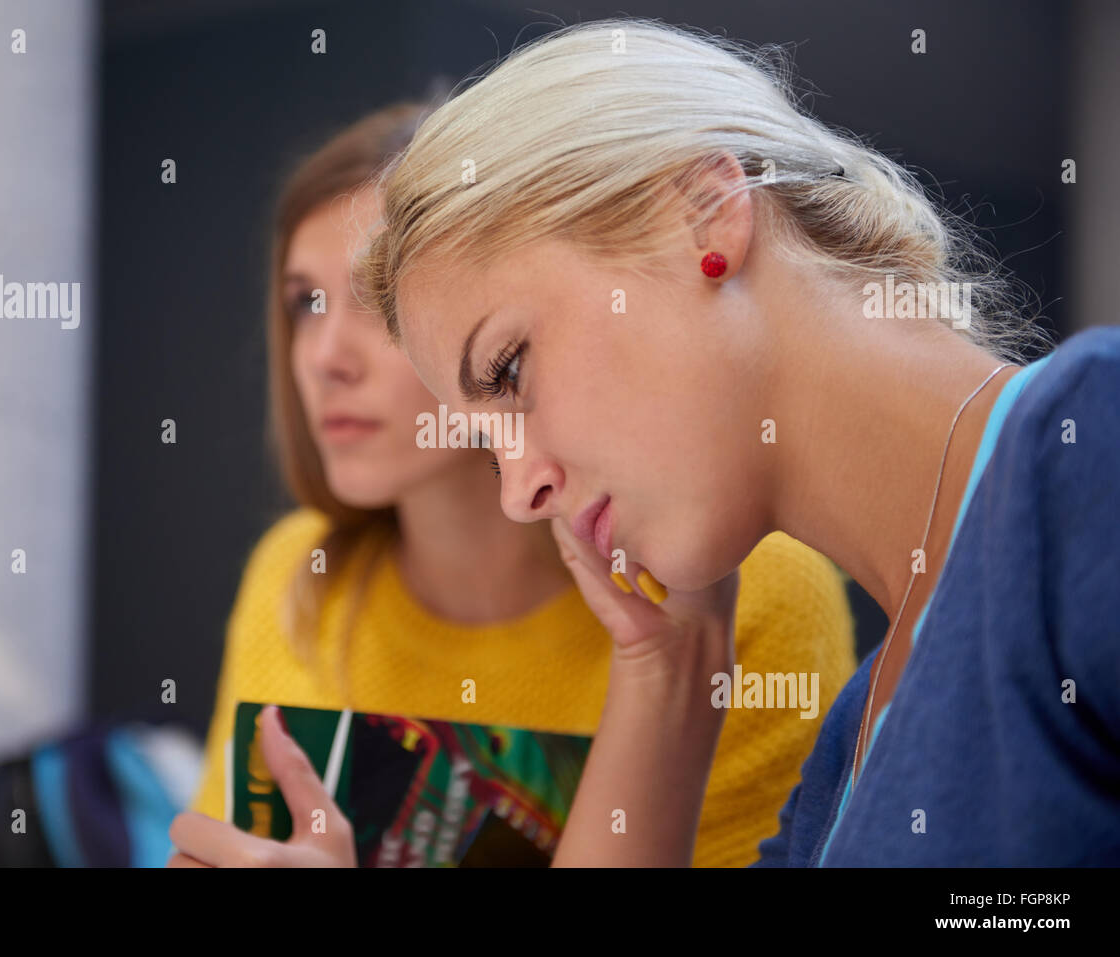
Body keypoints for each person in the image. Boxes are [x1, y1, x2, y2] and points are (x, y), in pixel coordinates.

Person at [353, 18, 1120, 866]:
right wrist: (665, 672)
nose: (516, 491)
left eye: (508, 371)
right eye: (485, 444)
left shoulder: (1088, 451)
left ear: (703, 217)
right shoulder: (837, 784)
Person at [168, 101, 857, 867]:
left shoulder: (743, 588)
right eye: (305, 303)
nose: (326, 356)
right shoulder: (295, 574)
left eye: (377, 299)